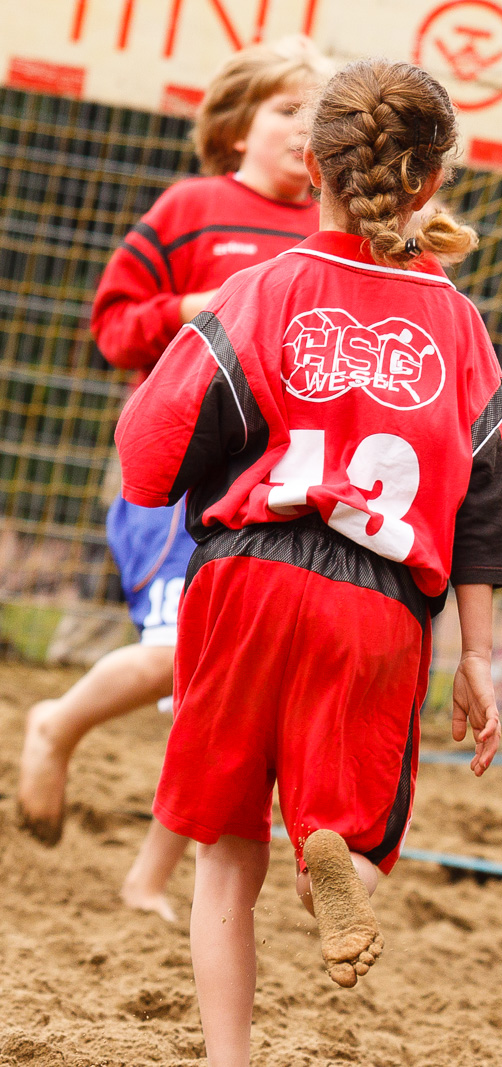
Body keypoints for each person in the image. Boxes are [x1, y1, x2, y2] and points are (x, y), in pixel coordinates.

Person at [113, 60, 502, 1067]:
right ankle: (339, 855)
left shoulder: (259, 287)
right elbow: (494, 501)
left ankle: (226, 1057)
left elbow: (149, 461)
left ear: (310, 166)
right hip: (374, 601)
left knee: (224, 855)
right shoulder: (456, 322)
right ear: (432, 182)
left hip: (243, 573)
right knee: (359, 822)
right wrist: (477, 662)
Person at [16, 38, 332, 922]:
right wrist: (184, 310)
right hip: (177, 481)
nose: (303, 128)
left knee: (220, 688)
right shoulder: (193, 207)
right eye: (285, 109)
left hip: (276, 488)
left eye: (318, 113)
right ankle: (56, 725)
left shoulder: (329, 234)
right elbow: (114, 325)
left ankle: (148, 878)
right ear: (235, 129)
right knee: (178, 652)